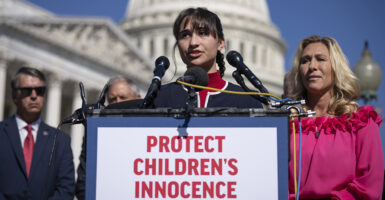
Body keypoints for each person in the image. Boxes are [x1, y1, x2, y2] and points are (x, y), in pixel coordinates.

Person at [288, 35, 383, 199]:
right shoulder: (286, 125)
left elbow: (370, 186)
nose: (312, 66)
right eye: (305, 60)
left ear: (335, 67)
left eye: (320, 59)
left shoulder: (362, 122)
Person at [154, 7, 262, 109]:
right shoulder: (158, 98)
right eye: (185, 35)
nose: (193, 42)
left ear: (220, 43)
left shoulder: (246, 101)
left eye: (202, 33)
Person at [0, 67, 74, 199]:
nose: (34, 96)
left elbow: (66, 189)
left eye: (39, 91)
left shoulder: (60, 141)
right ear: (15, 96)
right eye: (27, 91)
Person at [75, 76, 141, 200]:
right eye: (112, 99)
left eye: (123, 98)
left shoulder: (148, 131)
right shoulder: (96, 134)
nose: (117, 103)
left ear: (138, 99)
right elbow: (83, 183)